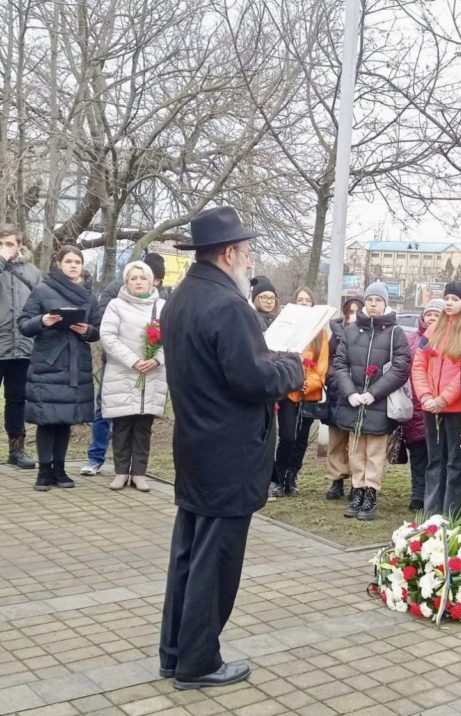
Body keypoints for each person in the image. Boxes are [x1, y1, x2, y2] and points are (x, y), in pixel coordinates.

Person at [158, 206, 302, 690]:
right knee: (214, 562)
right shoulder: (228, 304)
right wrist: (293, 367)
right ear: (227, 253)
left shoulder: (182, 297)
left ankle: (176, 652)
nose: (248, 259)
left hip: (197, 445)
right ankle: (198, 662)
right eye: (245, 251)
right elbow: (253, 378)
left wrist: (269, 358)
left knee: (189, 554)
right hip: (229, 451)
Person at [19, 245, 100, 490]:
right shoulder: (43, 289)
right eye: (69, 261)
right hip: (48, 362)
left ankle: (60, 470)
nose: (73, 265)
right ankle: (44, 472)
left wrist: (87, 331)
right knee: (47, 418)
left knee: (65, 418)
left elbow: (97, 329)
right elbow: (23, 324)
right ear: (59, 264)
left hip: (76, 363)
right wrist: (42, 320)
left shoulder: (89, 295)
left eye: (77, 261)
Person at [328, 281, 410, 520]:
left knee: (374, 452)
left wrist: (374, 392)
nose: (373, 305)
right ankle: (357, 490)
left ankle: (370, 493)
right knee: (354, 450)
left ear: (385, 303)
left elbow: (400, 367)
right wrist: (350, 392)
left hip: (379, 402)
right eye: (370, 300)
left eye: (378, 301)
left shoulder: (395, 332)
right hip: (353, 401)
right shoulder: (352, 331)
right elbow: (340, 364)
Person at [82, 252, 167, 477]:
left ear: (153, 281)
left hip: (151, 374)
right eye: (133, 278)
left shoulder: (163, 306)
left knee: (142, 428)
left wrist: (157, 358)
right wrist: (133, 360)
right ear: (126, 281)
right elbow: (107, 335)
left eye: (143, 278)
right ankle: (118, 472)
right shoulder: (116, 304)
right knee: (120, 425)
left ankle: (139, 474)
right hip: (122, 371)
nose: (138, 282)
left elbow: (173, 337)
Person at [411, 282, 461, 515]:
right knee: (434, 461)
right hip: (431, 406)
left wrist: (444, 399)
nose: (449, 303)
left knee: (455, 463)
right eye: (447, 298)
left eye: (454, 299)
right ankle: (432, 513)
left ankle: (452, 515)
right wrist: (426, 396)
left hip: (456, 408)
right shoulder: (433, 329)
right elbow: (419, 364)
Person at [270, 287, 329, 498]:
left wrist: (309, 383)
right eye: (300, 300)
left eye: (307, 300)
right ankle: (276, 478)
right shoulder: (287, 327)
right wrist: (292, 381)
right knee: (287, 436)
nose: (304, 303)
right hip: (288, 392)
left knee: (301, 439)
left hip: (308, 393)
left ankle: (291, 476)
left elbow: (322, 366)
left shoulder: (320, 333)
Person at [0, 223, 40, 469]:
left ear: (19, 245)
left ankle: (17, 450)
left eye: (8, 244)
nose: (4, 248)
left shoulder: (32, 272)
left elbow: (40, 304)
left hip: (22, 346)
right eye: (0, 244)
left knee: (16, 400)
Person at [325, 295, 365, 501]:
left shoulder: (367, 332)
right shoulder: (336, 333)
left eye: (358, 310)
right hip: (337, 393)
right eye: (350, 310)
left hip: (359, 393)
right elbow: (329, 359)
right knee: (336, 440)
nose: (353, 314)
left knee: (356, 441)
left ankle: (357, 483)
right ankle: (336, 479)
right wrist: (334, 379)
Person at [405, 299, 442, 511]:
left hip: (440, 403)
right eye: (429, 314)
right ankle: (418, 492)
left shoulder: (447, 338)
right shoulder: (412, 339)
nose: (432, 318)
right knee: (418, 453)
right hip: (415, 405)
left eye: (436, 315)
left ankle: (433, 492)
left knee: (435, 454)